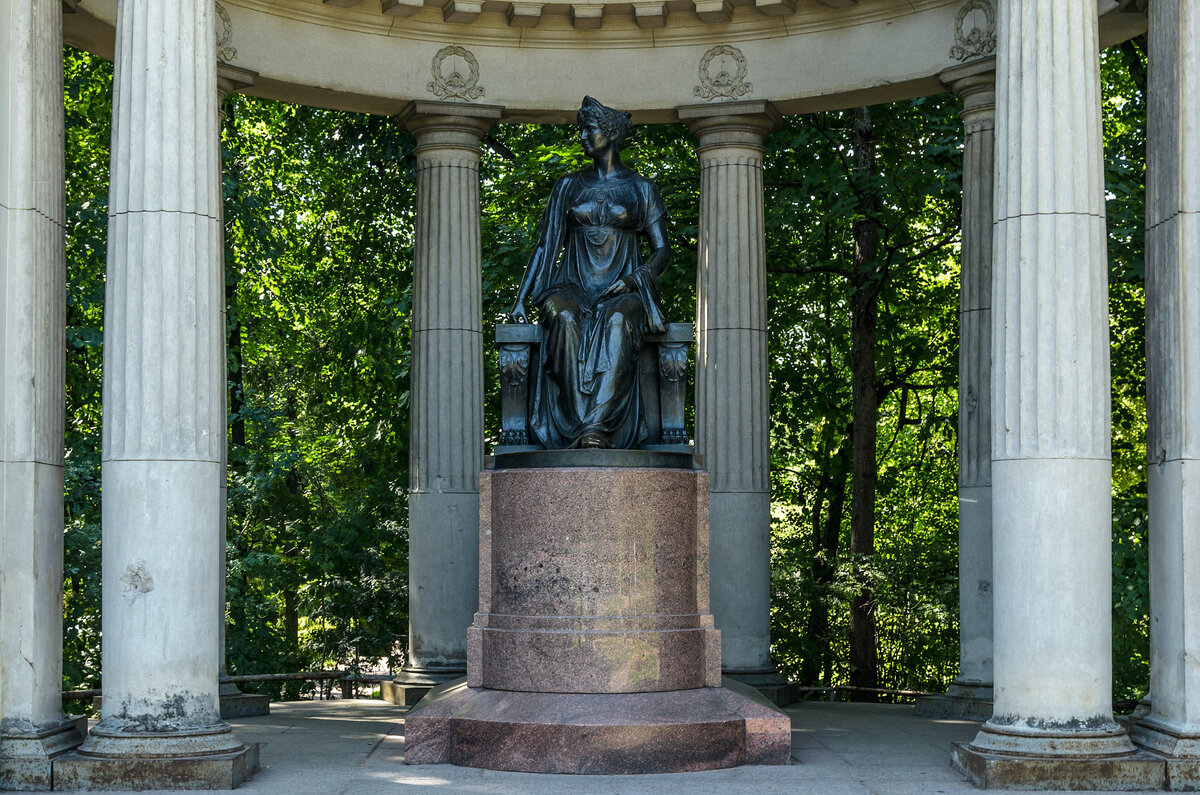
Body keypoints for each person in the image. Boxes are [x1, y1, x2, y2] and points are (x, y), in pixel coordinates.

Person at [510, 96, 671, 450]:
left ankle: (596, 427)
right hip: (572, 283)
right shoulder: (568, 186)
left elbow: (662, 252)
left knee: (617, 321)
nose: (582, 136)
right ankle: (574, 423)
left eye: (590, 129)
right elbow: (545, 246)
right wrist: (521, 300)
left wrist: (633, 279)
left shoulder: (642, 189)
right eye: (581, 129)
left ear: (611, 133)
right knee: (563, 317)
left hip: (625, 286)